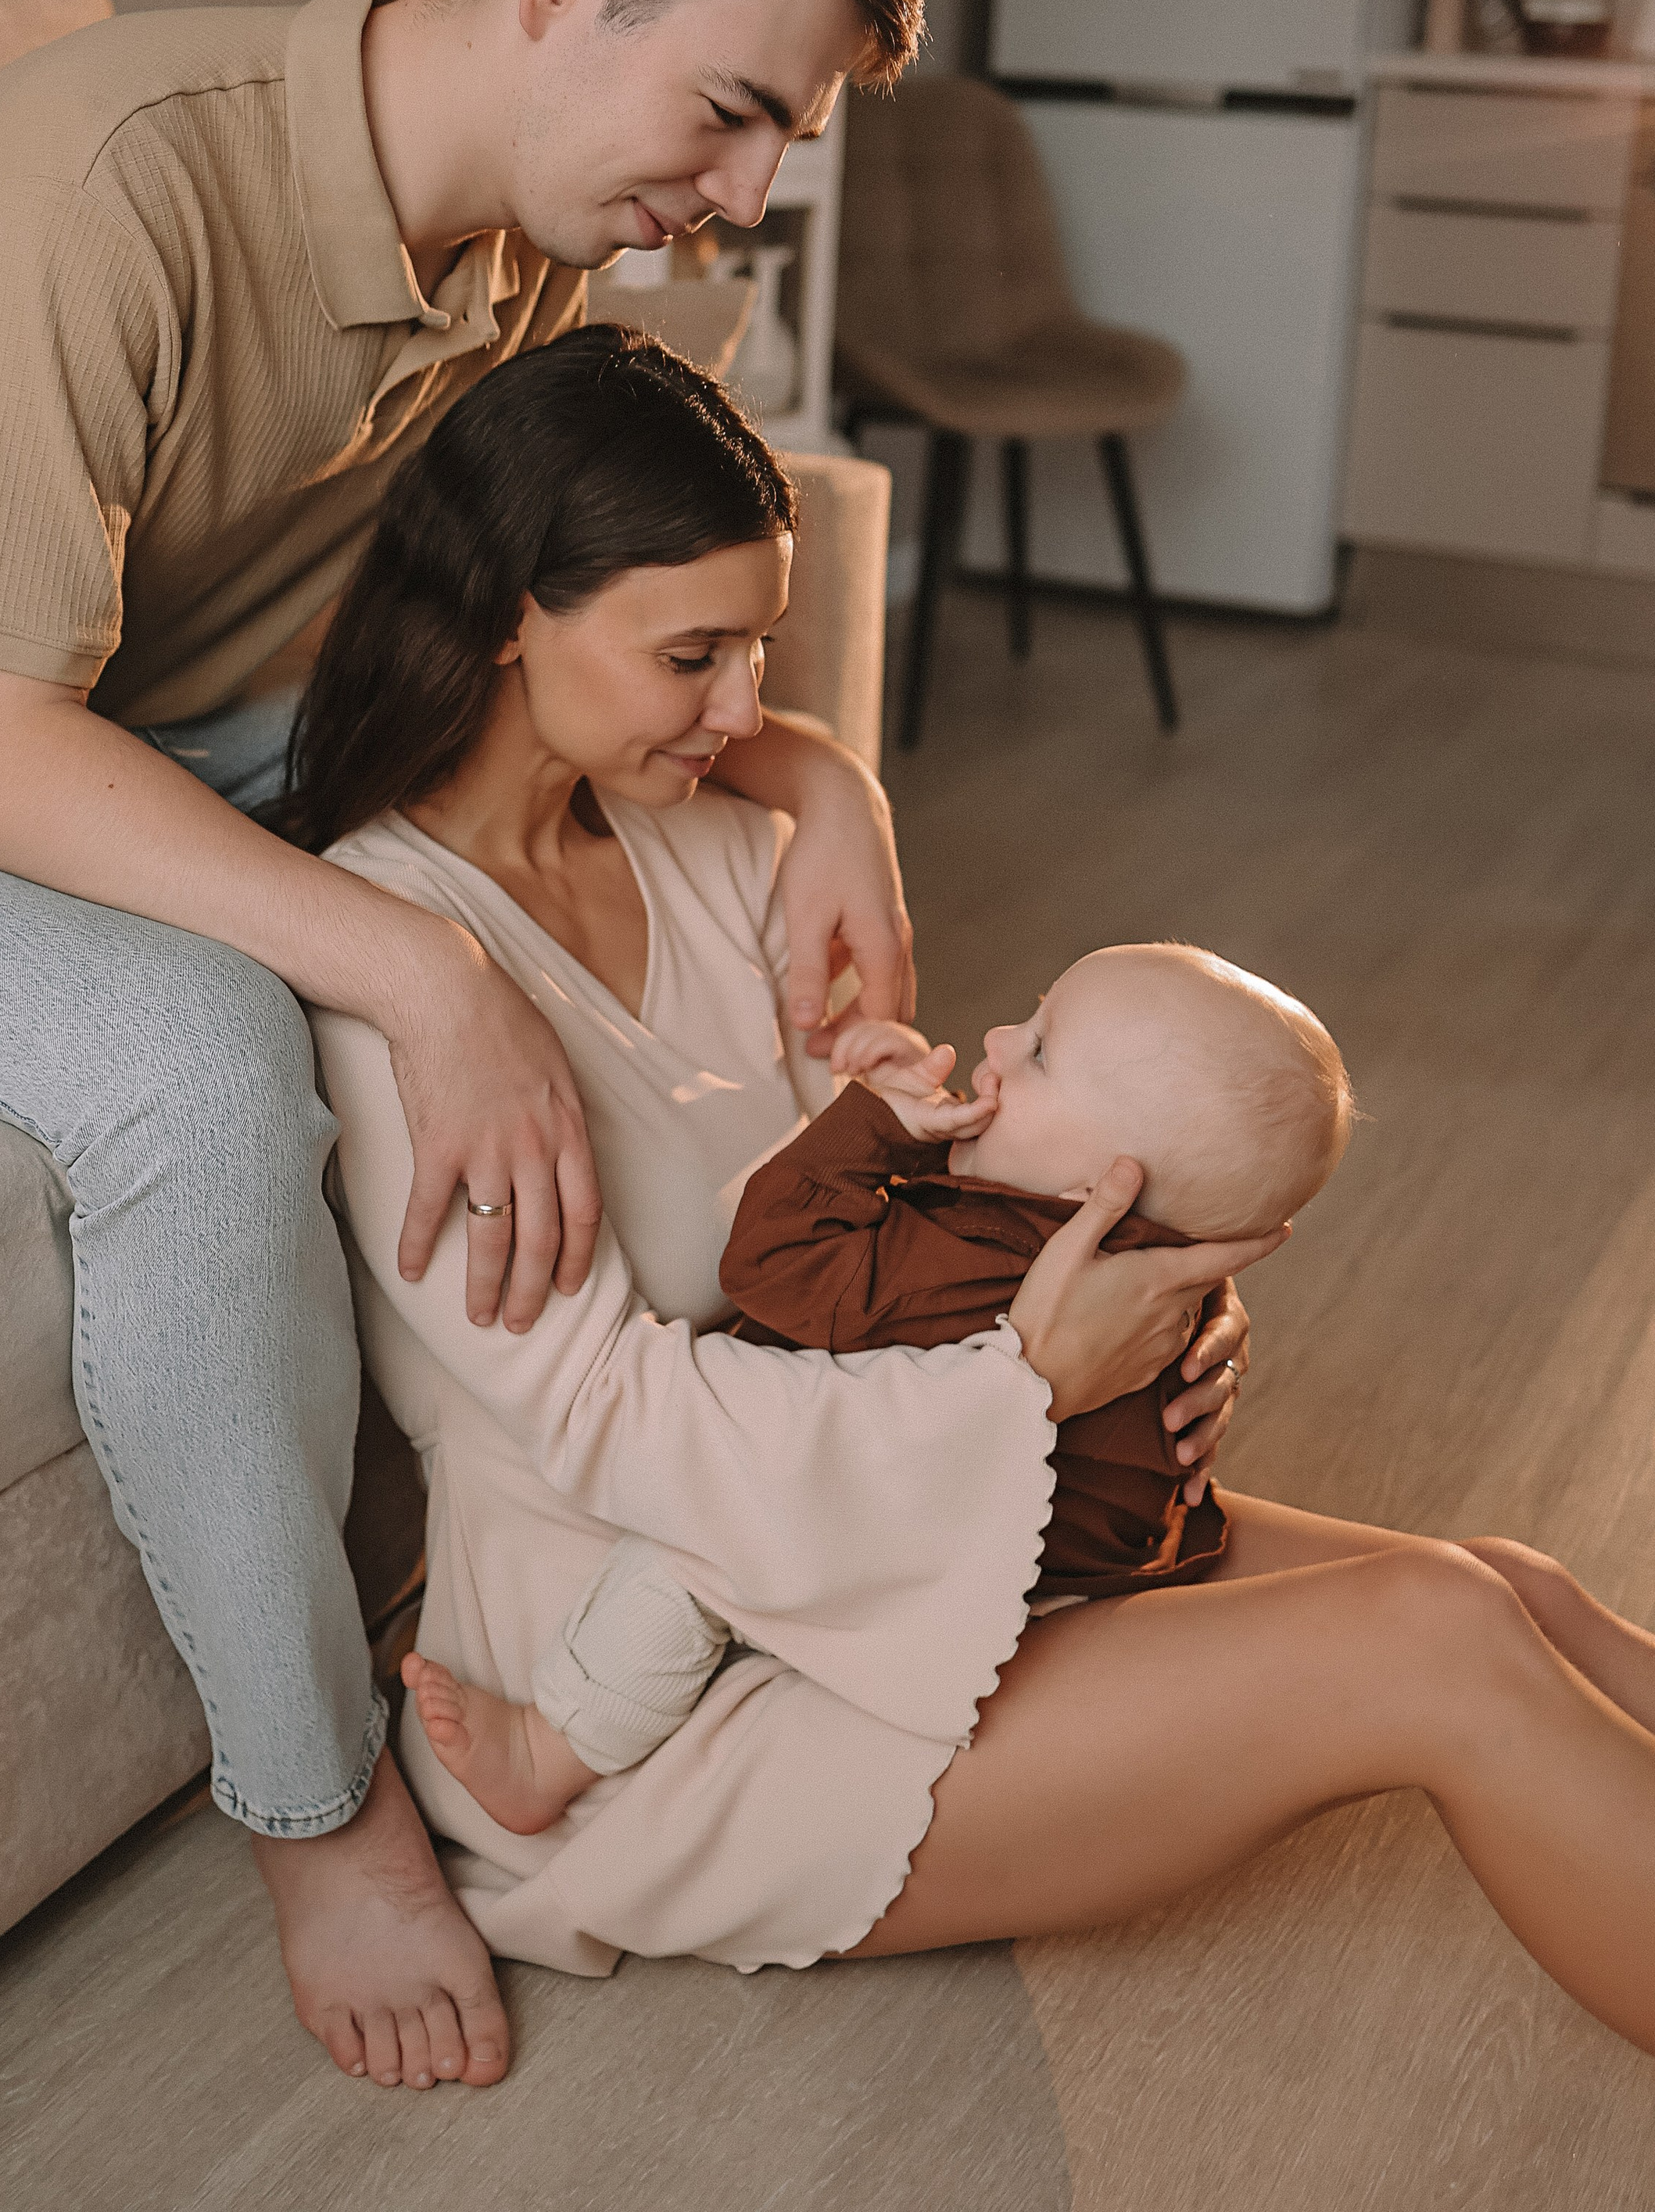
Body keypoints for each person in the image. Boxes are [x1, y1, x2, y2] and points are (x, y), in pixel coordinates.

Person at [0, 0, 935, 2087]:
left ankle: (733, 1458)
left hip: (163, 718)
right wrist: (412, 964)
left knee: (599, 806)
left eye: (779, 139)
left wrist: (812, 766)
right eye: (732, 111)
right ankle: (316, 1803)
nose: (742, 193)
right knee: (207, 1069)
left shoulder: (523, 251)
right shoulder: (108, 177)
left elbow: (577, 625)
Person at [304, 327, 1655, 2077]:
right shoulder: (401, 982)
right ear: (507, 615)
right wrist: (1034, 1382)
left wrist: (1147, 1300)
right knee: (1438, 1643)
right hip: (655, 1683)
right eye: (692, 657)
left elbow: (919, 1209)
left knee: (1511, 1586)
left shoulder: (723, 849)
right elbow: (615, 1431)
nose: (747, 714)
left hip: (919, 1517)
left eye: (756, 653)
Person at [402, 943, 1356, 1835]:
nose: (997, 1040)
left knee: (698, 1553)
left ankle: (556, 1749)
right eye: (1030, 1016)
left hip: (968, 1560)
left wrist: (872, 1129)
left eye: (1038, 1052)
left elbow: (770, 1264)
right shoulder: (1132, 1264)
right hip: (1072, 1537)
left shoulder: (963, 1262)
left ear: (1091, 1192)